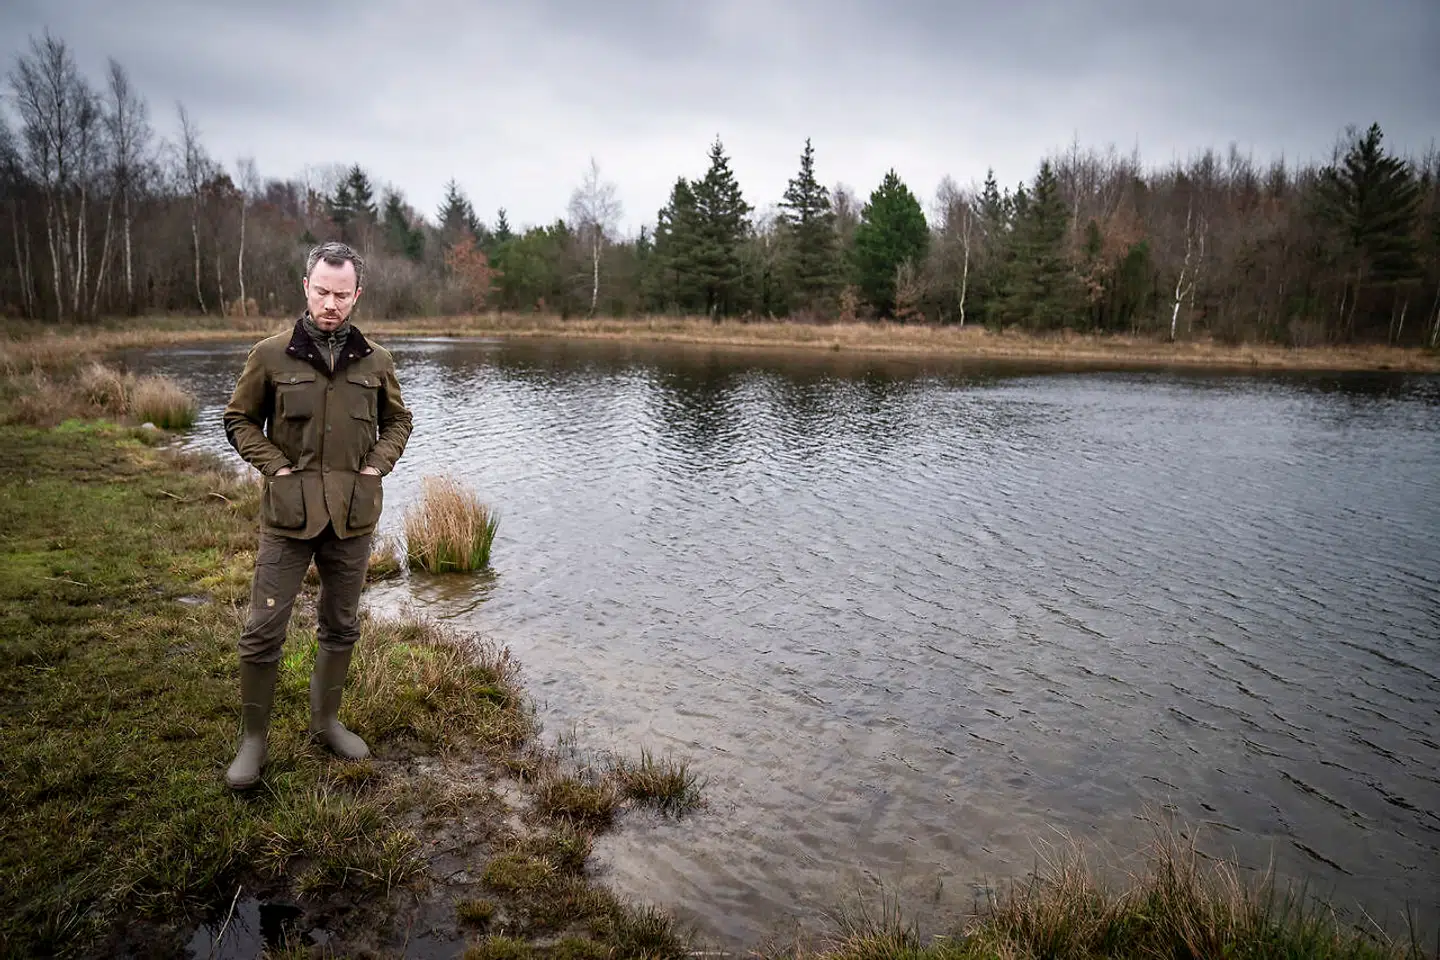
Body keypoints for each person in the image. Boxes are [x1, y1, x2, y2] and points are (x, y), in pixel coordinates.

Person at [220, 240, 413, 790]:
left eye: (342, 295)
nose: (331, 304)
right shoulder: (270, 355)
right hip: (288, 516)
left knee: (341, 625)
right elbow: (238, 420)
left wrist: (375, 466)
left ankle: (326, 723)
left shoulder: (377, 361)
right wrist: (276, 467)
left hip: (352, 516)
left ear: (357, 295)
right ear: (306, 287)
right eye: (323, 292)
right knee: (263, 630)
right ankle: (253, 741)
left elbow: (399, 422)